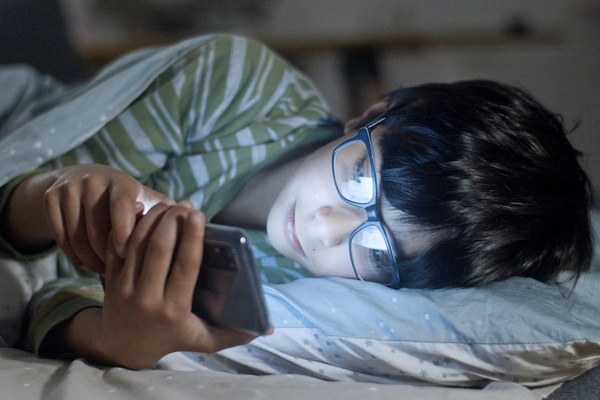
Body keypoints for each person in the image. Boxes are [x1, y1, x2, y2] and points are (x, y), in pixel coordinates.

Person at [0, 34, 593, 369]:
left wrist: (113, 340)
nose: (325, 228)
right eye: (359, 178)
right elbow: (24, 172)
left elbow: (45, 298)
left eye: (377, 251)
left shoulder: (296, 287)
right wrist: (57, 189)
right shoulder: (228, 83)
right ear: (371, 115)